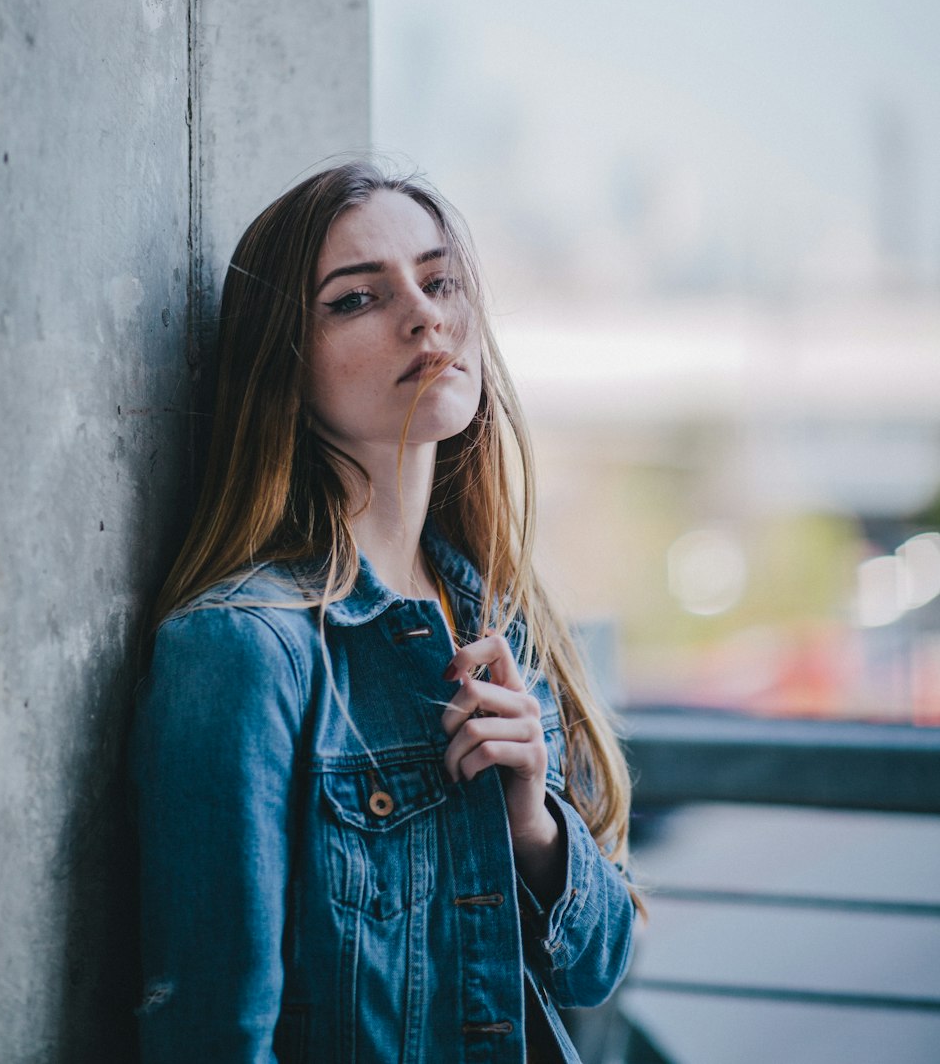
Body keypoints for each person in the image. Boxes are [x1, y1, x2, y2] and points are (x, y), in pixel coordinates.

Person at [130, 161, 638, 1063]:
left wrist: (532, 822)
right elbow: (214, 1027)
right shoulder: (244, 648)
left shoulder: (504, 618)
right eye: (357, 299)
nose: (425, 314)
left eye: (440, 281)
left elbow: (596, 968)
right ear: (284, 363)